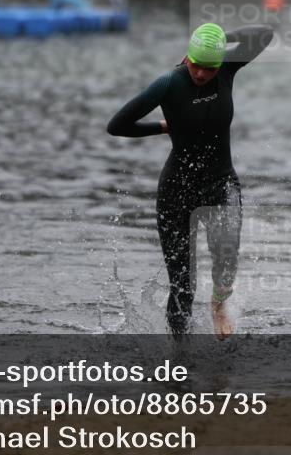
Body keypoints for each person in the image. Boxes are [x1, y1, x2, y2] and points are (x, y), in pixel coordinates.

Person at [107, 22, 275, 339]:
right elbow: (117, 125)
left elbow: (265, 33)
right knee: (183, 285)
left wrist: (223, 40)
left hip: (220, 182)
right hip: (176, 189)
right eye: (196, 66)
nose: (201, 74)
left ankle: (218, 305)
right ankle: (180, 356)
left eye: (208, 69)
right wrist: (160, 127)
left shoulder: (226, 69)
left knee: (227, 258)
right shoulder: (168, 84)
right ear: (187, 58)